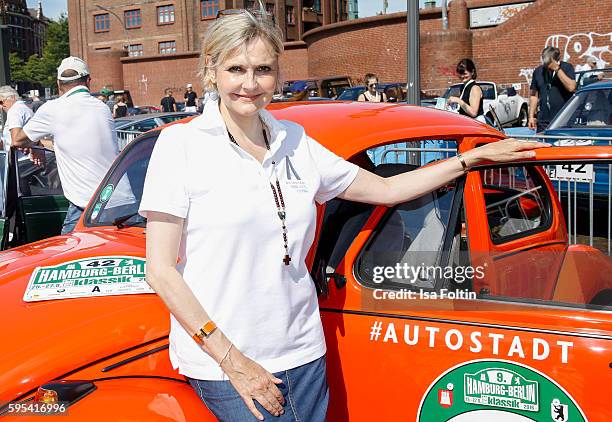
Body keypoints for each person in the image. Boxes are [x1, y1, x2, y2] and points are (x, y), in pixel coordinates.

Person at [138, 9, 549, 422]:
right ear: (212, 72)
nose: (250, 83)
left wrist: (469, 159)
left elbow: (387, 190)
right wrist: (232, 362)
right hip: (228, 364)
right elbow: (160, 270)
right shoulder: (181, 146)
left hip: (303, 350)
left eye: (263, 69)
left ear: (277, 72)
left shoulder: (293, 140)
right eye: (236, 69)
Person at [11, 56, 122, 234]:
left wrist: (14, 112)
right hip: (121, 200)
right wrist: (39, 142)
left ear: (58, 84)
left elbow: (17, 139)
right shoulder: (101, 107)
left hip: (88, 206)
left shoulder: (53, 108)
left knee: (68, 254)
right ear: (88, 81)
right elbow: (71, 144)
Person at [529, 46, 576, 132]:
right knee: (543, 144)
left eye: (548, 63)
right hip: (543, 120)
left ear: (555, 60)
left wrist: (557, 69)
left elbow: (571, 87)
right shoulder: (538, 71)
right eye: (544, 62)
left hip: (563, 119)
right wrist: (531, 116)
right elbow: (534, 96)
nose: (546, 66)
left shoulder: (567, 68)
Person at [0, 86, 33, 152]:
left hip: (20, 159)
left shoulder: (14, 110)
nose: (1, 107)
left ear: (13, 98)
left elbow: (15, 141)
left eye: (1, 102)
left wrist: (8, 160)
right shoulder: (24, 108)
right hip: (26, 157)